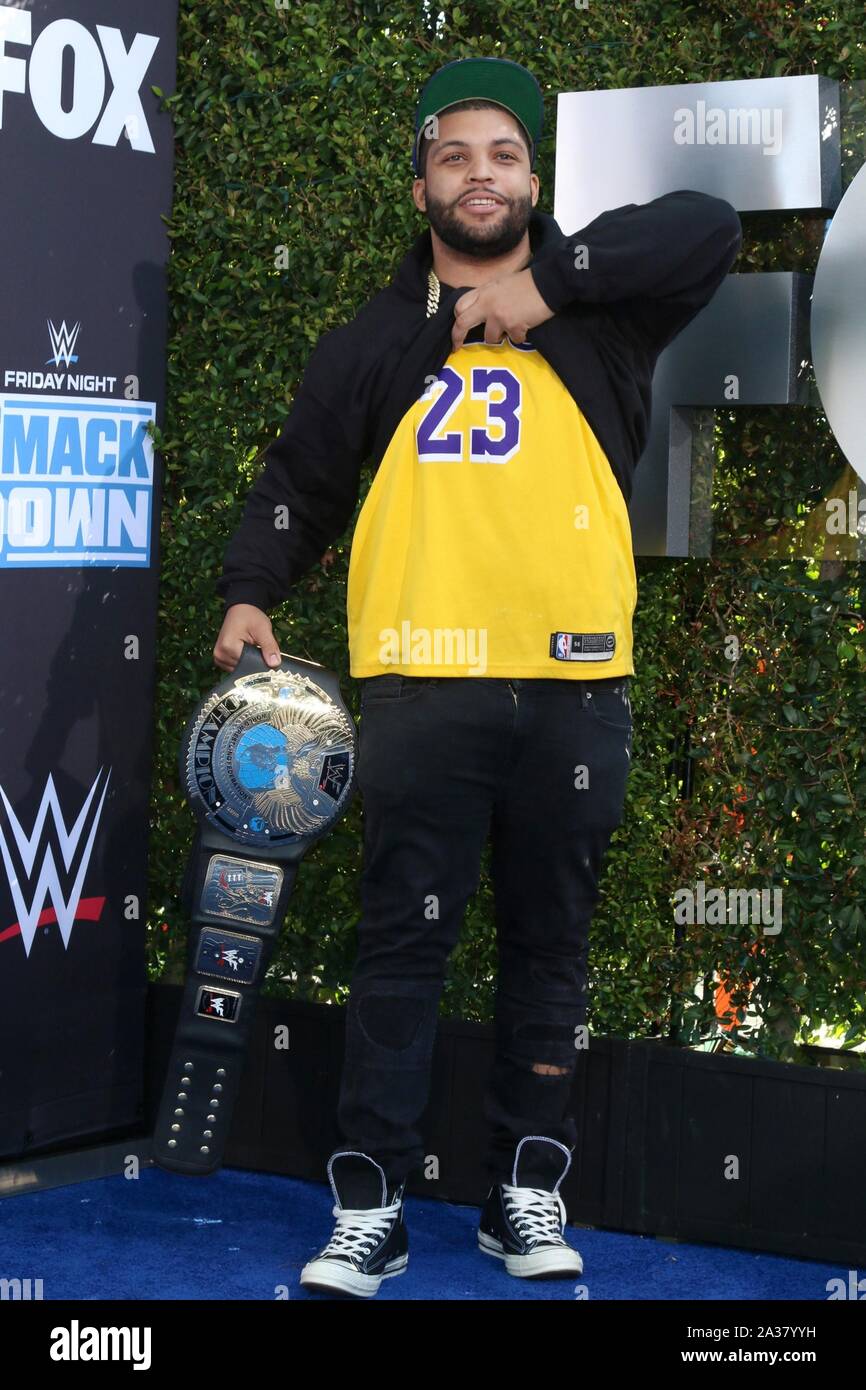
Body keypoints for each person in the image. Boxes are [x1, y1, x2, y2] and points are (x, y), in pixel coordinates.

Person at [212, 56, 742, 1298]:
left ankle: (525, 1193)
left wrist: (541, 286)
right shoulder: (371, 344)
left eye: (502, 155)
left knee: (549, 952)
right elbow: (297, 483)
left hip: (575, 686)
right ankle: (373, 1206)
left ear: (533, 182)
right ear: (421, 189)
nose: (480, 173)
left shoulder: (604, 316)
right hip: (417, 689)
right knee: (401, 951)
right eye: (455, 155)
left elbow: (707, 228)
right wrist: (248, 590)